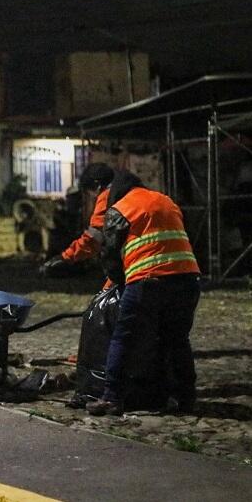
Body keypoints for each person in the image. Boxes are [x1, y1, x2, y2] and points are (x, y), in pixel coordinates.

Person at [86, 171, 201, 416]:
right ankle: (187, 398)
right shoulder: (166, 201)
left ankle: (111, 398)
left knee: (123, 338)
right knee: (178, 340)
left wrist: (118, 283)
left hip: (148, 283)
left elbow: (110, 255)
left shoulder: (121, 208)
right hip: (188, 279)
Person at [42, 163, 114, 274]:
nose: (92, 200)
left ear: (98, 187)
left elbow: (92, 239)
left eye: (89, 195)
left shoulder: (108, 200)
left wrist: (64, 258)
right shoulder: (131, 193)